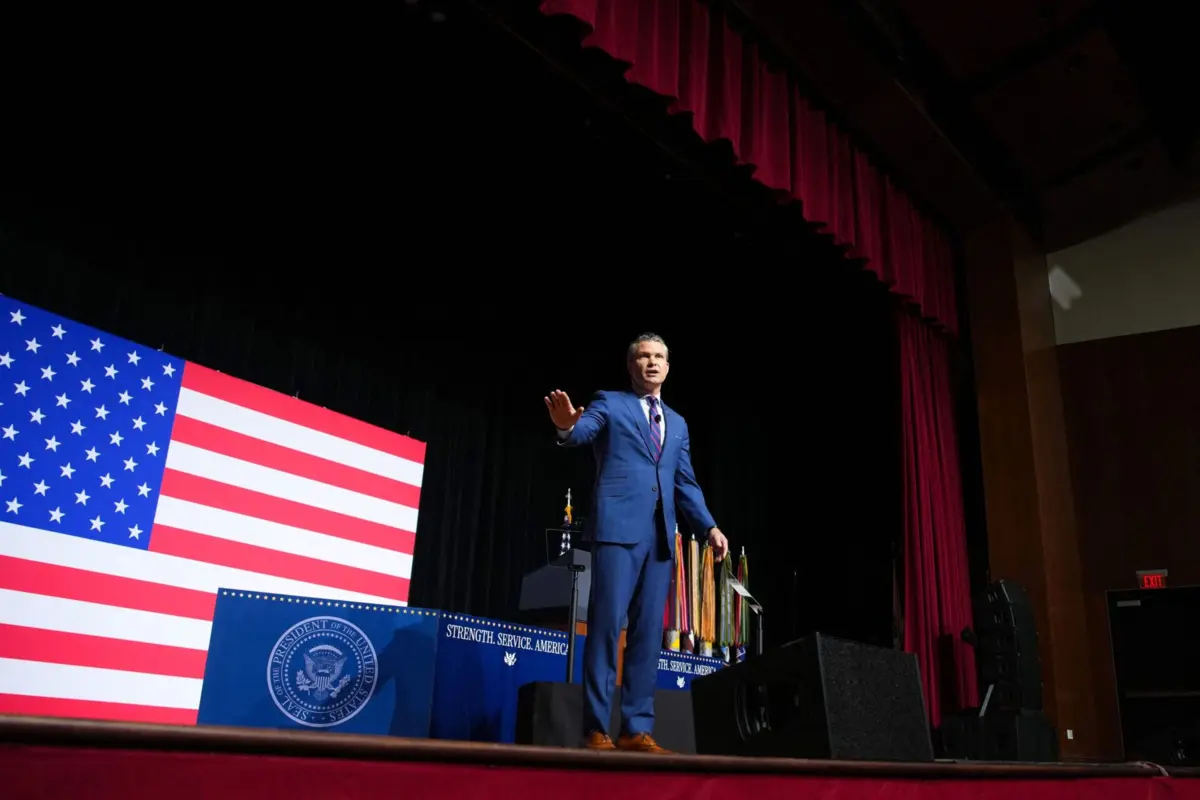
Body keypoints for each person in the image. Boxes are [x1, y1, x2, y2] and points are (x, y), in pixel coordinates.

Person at [543, 332, 728, 753]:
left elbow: (685, 483)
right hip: (617, 531)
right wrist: (565, 424)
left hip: (661, 538)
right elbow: (582, 431)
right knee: (607, 629)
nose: (651, 362)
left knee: (648, 636)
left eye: (659, 357)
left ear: (668, 366)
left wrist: (710, 527)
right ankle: (596, 727)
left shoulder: (678, 423)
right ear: (631, 366)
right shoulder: (610, 402)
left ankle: (635, 728)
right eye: (643, 356)